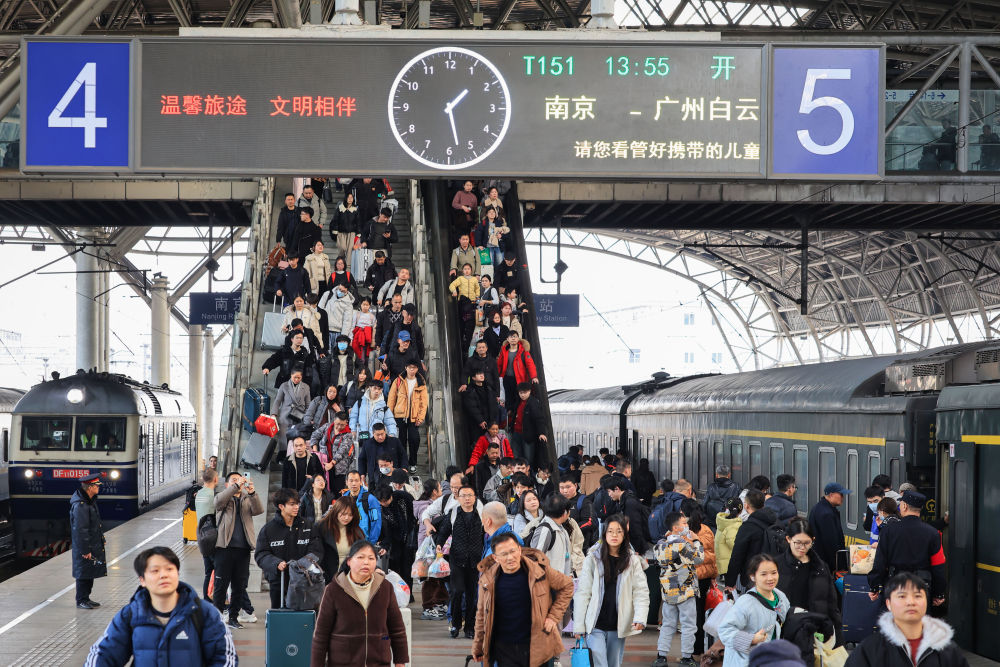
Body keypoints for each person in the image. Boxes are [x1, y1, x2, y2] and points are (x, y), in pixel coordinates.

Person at [84, 546, 235, 666]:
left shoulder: (205, 613)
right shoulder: (130, 615)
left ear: (177, 573)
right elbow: (102, 655)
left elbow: (225, 658)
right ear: (142, 580)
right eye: (155, 571)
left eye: (169, 569)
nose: (164, 575)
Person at [472, 531, 574, 667]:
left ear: (519, 550)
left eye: (513, 551)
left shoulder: (539, 571)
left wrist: (553, 617)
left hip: (537, 647)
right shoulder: (488, 580)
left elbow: (567, 585)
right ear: (495, 558)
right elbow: (481, 615)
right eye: (504, 554)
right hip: (503, 649)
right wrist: (478, 646)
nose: (510, 557)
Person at [310, 540, 409, 667]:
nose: (366, 562)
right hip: (342, 663)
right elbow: (321, 635)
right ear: (349, 561)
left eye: (371, 558)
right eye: (360, 557)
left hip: (379, 662)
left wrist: (400, 661)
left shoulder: (385, 588)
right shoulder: (334, 590)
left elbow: (397, 629)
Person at [845, 572, 968, 667]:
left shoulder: (948, 651)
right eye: (902, 596)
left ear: (926, 602)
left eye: (917, 596)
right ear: (888, 604)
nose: (910, 602)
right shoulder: (869, 651)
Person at [573, 515, 649, 667]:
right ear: (604, 533)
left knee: (613, 663)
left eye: (619, 531)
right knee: (599, 663)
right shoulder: (593, 558)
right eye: (610, 531)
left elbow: (641, 591)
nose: (614, 535)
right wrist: (579, 625)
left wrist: (640, 617)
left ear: (625, 535)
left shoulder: (632, 560)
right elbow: (583, 593)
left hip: (618, 624)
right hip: (595, 624)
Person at [868, 490, 947, 607]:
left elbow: (880, 562)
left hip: (895, 587)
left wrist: (874, 586)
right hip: (921, 589)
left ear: (904, 506)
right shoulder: (933, 533)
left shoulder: (888, 531)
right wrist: (939, 593)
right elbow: (938, 566)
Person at [775, 519, 843, 645]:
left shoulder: (821, 567)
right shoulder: (776, 567)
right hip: (786, 633)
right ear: (788, 539)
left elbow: (832, 604)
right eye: (798, 543)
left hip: (815, 633)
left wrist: (838, 637)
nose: (802, 547)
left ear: (813, 540)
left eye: (807, 543)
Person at [718, 554, 791, 667]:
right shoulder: (746, 602)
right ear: (753, 577)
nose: (770, 578)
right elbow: (725, 630)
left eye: (774, 573)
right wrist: (751, 639)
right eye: (763, 574)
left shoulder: (780, 596)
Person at [254, 488, 322, 610]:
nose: (297, 507)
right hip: (278, 582)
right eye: (292, 504)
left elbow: (316, 549)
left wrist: (303, 564)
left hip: (305, 581)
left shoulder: (308, 525)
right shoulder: (268, 529)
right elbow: (261, 554)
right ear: (281, 506)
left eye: (297, 503)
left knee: (305, 617)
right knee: (280, 616)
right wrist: (276, 563)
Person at [652, 512, 704, 667]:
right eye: (683, 523)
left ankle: (661, 656)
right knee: (688, 625)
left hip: (668, 591)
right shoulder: (682, 546)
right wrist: (696, 540)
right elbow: (699, 558)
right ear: (675, 528)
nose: (686, 525)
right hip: (685, 590)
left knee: (668, 624)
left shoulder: (659, 547)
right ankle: (687, 657)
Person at [213, 472, 263, 630]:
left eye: (240, 479)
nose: (239, 482)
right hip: (224, 548)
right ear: (227, 484)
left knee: (239, 586)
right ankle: (216, 618)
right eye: (234, 480)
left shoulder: (246, 498)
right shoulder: (224, 498)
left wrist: (252, 492)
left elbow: (259, 510)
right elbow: (217, 503)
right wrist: (235, 486)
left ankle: (233, 618)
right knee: (221, 585)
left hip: (243, 549)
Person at [433, 484, 484, 639]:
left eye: (470, 495)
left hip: (475, 561)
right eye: (463, 496)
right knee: (457, 591)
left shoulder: (481, 514)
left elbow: (488, 533)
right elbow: (444, 531)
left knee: (472, 595)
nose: (467, 498)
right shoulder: (453, 513)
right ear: (458, 498)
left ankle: (469, 627)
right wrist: (439, 544)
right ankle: (455, 624)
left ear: (475, 497)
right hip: (457, 559)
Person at [681, 499, 718, 657]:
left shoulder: (684, 532)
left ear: (683, 513)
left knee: (689, 616)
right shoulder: (707, 530)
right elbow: (712, 555)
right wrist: (713, 575)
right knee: (700, 613)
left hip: (689, 577)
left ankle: (691, 651)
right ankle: (699, 648)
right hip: (704, 577)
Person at [725, 490, 776, 592]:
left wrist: (730, 582)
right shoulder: (775, 521)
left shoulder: (747, 527)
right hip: (773, 572)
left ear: (746, 506)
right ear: (763, 504)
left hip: (754, 575)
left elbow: (737, 556)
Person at [71, 473, 107, 610]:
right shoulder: (81, 506)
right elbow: (81, 530)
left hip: (92, 543)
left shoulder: (89, 502)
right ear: (90, 487)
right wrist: (85, 550)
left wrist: (102, 538)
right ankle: (81, 600)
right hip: (85, 546)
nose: (99, 487)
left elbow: (96, 524)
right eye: (97, 486)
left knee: (89, 570)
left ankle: (86, 598)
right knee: (83, 572)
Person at [597, 475, 652, 556]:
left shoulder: (629, 503)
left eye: (609, 491)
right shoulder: (620, 501)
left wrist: (637, 549)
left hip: (636, 547)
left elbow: (635, 528)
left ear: (617, 489)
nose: (609, 495)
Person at [386, 360, 427, 468]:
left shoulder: (421, 382)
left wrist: (420, 417)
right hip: (399, 416)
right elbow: (391, 399)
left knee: (414, 439)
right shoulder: (398, 380)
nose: (412, 370)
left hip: (414, 417)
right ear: (406, 368)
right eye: (410, 367)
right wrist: (389, 416)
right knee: (401, 441)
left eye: (414, 368)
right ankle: (403, 464)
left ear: (417, 369)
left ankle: (413, 463)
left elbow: (424, 403)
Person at [314, 497, 364, 584]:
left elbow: (364, 553)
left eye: (350, 515)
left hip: (349, 577)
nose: (346, 518)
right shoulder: (322, 527)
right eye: (343, 514)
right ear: (336, 511)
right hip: (327, 577)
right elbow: (316, 552)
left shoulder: (356, 531)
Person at [373, 484, 416, 588]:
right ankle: (396, 592)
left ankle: (408, 592)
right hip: (394, 540)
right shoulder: (381, 508)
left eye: (385, 501)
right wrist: (385, 546)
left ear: (391, 495)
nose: (383, 504)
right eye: (381, 502)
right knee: (394, 568)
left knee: (407, 568)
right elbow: (387, 530)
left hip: (409, 537)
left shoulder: (403, 497)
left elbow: (415, 512)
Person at [497, 330, 538, 422]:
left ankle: (517, 418)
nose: (513, 339)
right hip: (506, 378)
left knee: (518, 398)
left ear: (518, 338)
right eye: (511, 337)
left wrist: (534, 377)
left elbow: (530, 364)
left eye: (515, 336)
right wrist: (497, 376)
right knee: (508, 398)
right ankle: (509, 419)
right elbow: (499, 364)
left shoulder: (523, 351)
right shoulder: (504, 350)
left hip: (519, 379)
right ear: (507, 339)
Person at [808, 482, 849, 573]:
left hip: (820, 560)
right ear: (831, 495)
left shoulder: (819, 508)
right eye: (841, 494)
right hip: (827, 564)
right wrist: (837, 566)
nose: (843, 497)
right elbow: (831, 543)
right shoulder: (827, 514)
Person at [509, 382, 547, 469]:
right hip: (516, 433)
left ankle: (528, 474)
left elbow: (539, 418)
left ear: (529, 391)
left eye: (525, 392)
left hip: (528, 435)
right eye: (521, 393)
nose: (522, 395)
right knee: (516, 457)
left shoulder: (533, 403)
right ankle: (518, 474)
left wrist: (542, 433)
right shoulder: (518, 401)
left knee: (528, 459)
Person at [462, 369, 499, 458]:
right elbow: (472, 407)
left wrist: (493, 421)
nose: (482, 375)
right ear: (473, 378)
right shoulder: (470, 390)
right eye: (479, 374)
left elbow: (493, 405)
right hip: (477, 423)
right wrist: (480, 420)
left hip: (489, 421)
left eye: (482, 374)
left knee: (490, 444)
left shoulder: (488, 387)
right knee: (477, 444)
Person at [195, 468, 219, 600]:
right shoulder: (213, 496)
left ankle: (206, 599)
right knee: (218, 571)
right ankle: (215, 599)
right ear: (215, 479)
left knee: (208, 572)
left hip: (202, 535)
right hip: (212, 537)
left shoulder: (198, 494)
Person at [343, 470, 382, 544]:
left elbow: (376, 523)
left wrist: (371, 543)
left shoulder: (370, 499)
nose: (354, 483)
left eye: (356, 480)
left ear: (361, 482)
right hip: (347, 541)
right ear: (346, 482)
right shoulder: (343, 499)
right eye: (351, 481)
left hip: (364, 542)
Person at [703, 464, 741, 530]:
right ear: (729, 475)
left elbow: (704, 504)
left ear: (716, 475)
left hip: (712, 521)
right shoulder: (736, 486)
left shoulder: (711, 486)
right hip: (728, 521)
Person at [332, 192, 360, 259]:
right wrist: (335, 230)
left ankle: (348, 265)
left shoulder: (355, 209)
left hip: (351, 233)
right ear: (345, 198)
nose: (350, 199)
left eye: (351, 197)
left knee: (349, 251)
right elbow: (335, 220)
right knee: (342, 248)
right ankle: (340, 261)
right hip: (341, 233)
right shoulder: (340, 208)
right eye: (348, 197)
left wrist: (358, 232)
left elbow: (358, 222)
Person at [351, 297, 378, 362]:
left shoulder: (372, 316)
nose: (365, 307)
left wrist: (373, 341)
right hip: (358, 338)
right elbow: (352, 327)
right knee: (357, 354)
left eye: (367, 305)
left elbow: (374, 329)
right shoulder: (357, 314)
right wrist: (351, 339)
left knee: (366, 356)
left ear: (369, 305)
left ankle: (364, 366)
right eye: (364, 304)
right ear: (361, 304)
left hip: (368, 339)